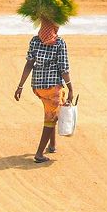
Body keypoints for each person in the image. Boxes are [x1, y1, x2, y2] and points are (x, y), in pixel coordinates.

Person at [14, 18, 75, 163]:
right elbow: (64, 68)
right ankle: (39, 154)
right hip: (52, 87)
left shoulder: (35, 41)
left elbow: (29, 63)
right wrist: (70, 89)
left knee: (51, 111)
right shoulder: (59, 43)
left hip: (38, 87)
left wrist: (20, 86)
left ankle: (52, 145)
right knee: (51, 117)